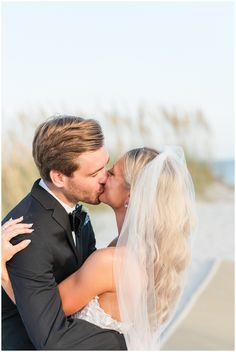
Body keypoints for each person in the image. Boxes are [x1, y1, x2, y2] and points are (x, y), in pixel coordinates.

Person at [2, 145, 196, 350]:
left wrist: (3, 273)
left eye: (112, 173)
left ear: (130, 196)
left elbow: (44, 317)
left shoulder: (110, 262)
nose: (103, 177)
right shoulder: (146, 253)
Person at [1, 115, 127, 350]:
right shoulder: (27, 234)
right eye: (93, 174)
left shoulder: (75, 209)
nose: (105, 178)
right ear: (59, 177)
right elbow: (51, 340)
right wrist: (126, 340)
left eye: (105, 165)